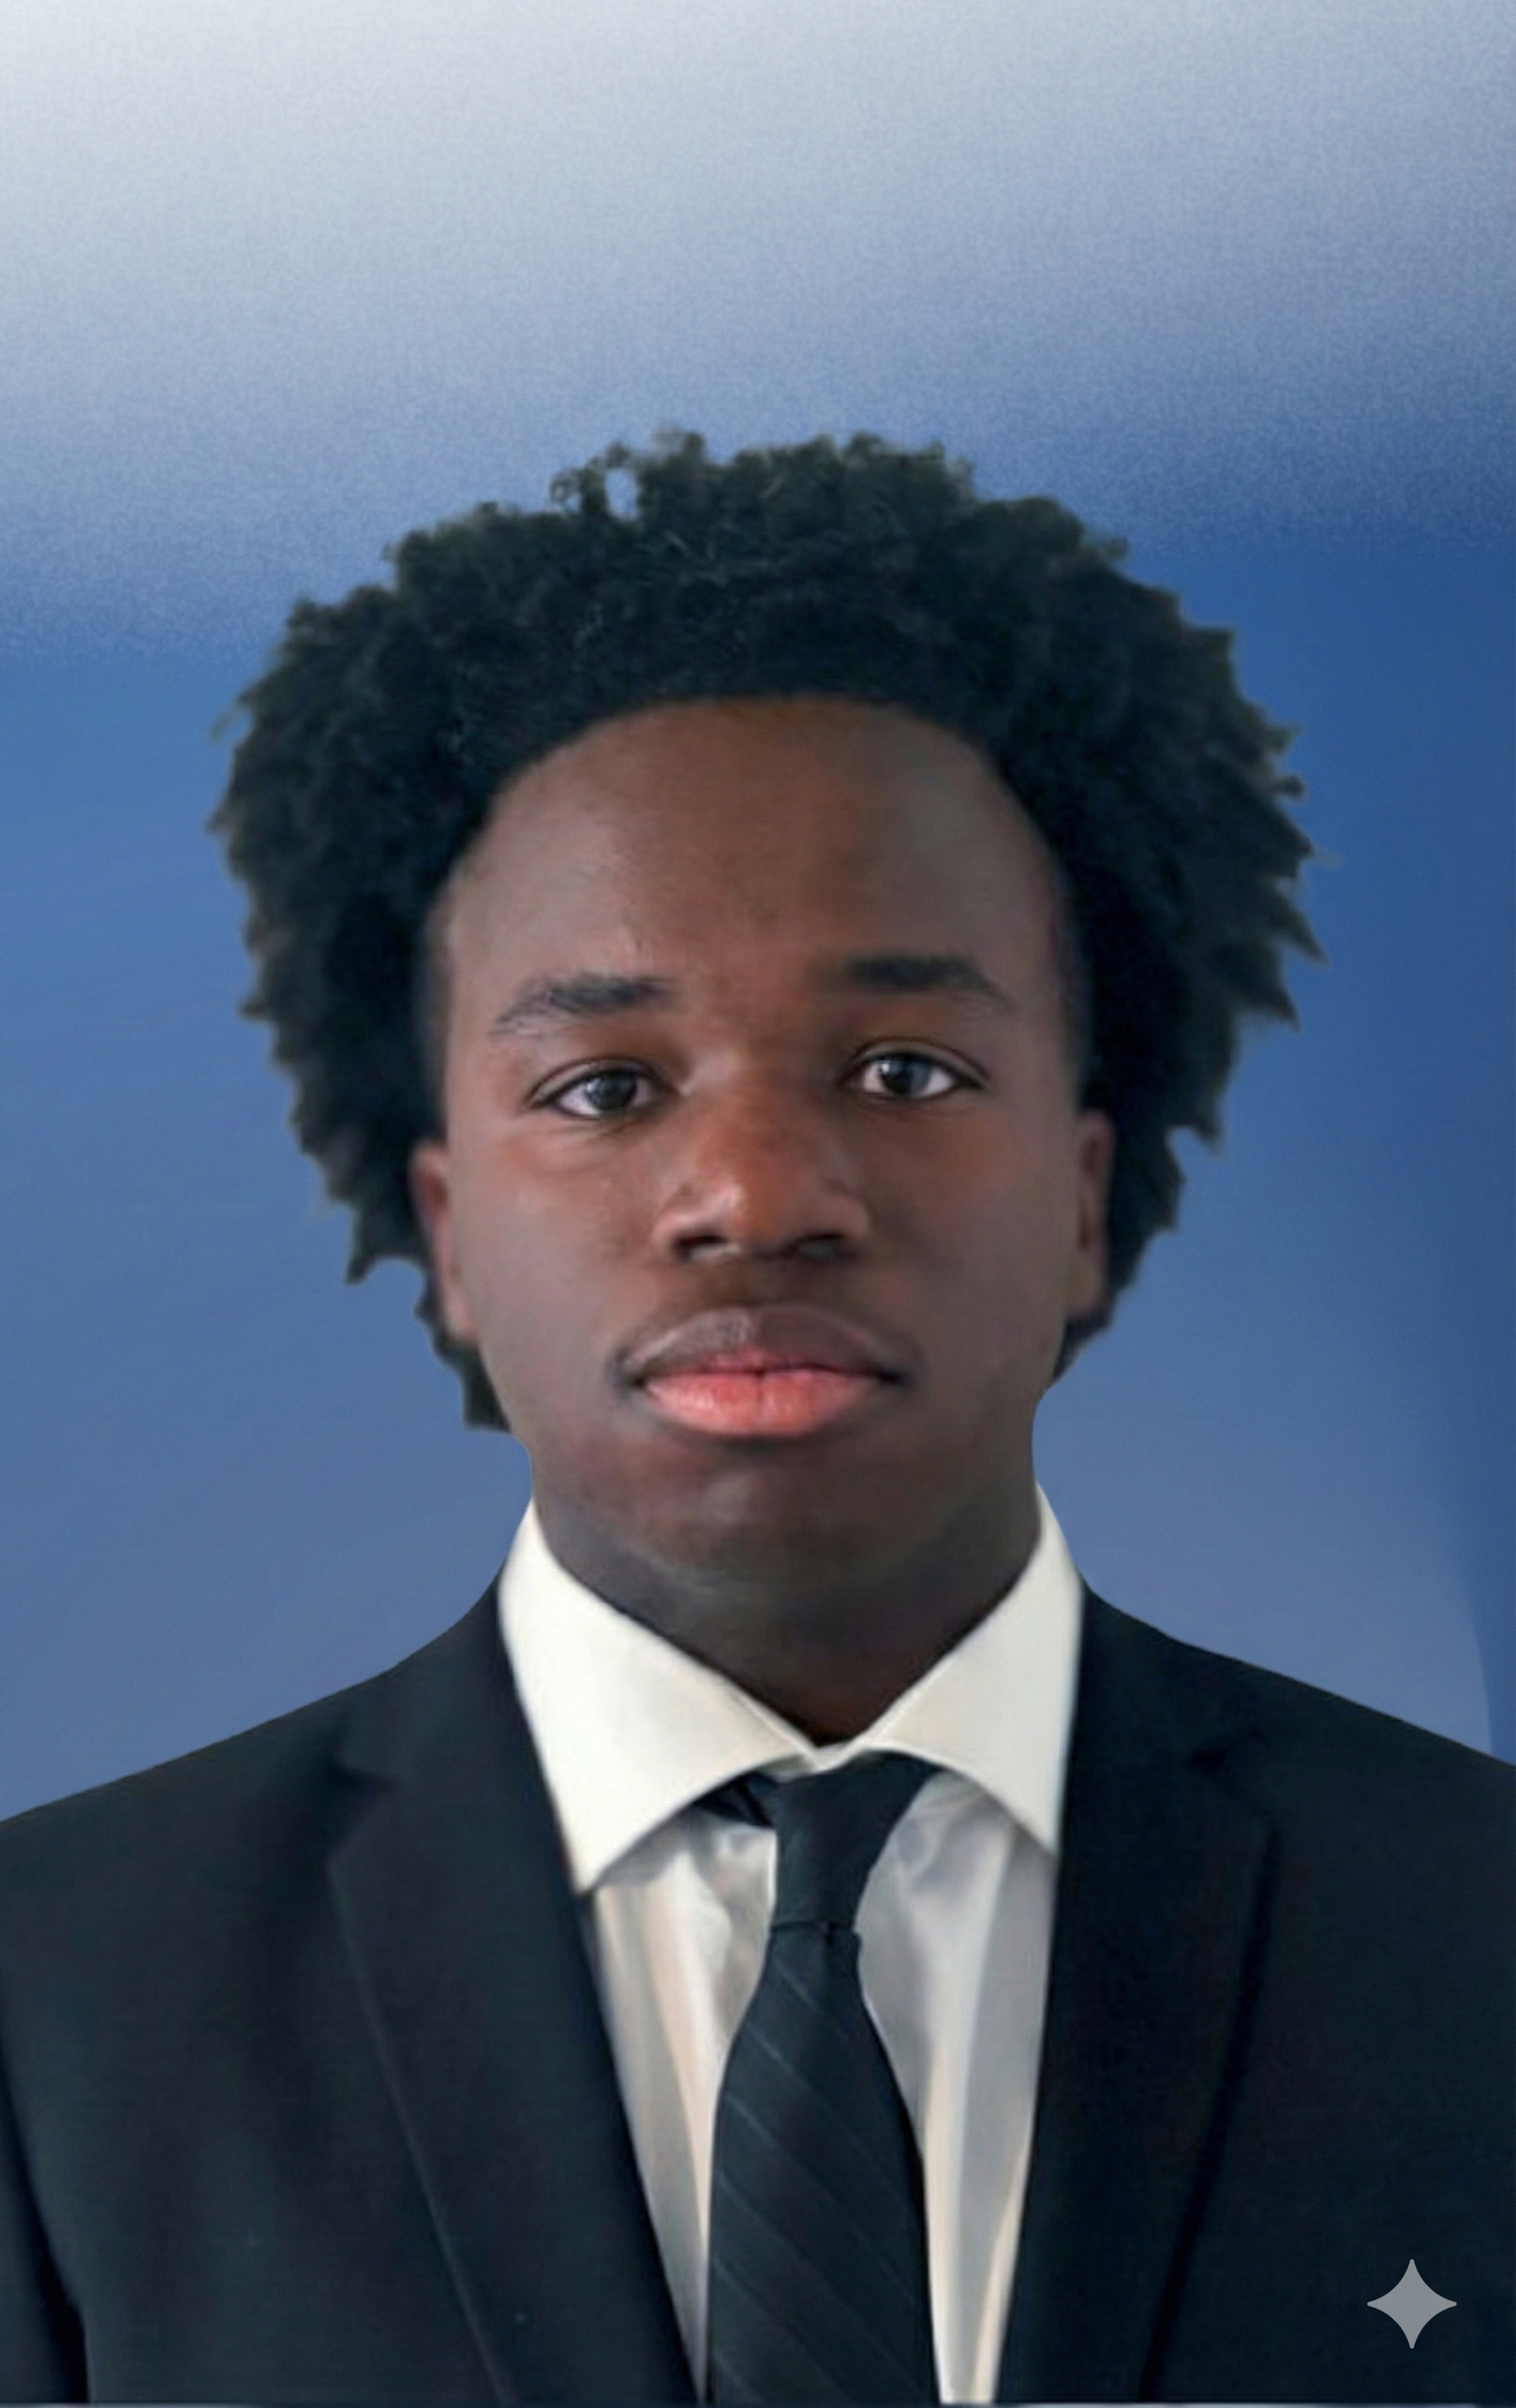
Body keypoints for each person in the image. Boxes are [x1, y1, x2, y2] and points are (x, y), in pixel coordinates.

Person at [0, 434, 1509, 2406]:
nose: (758, 1193)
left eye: (905, 1066)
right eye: (608, 1088)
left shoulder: (1478, 1931)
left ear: (1082, 1192)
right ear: (446, 1230)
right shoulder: (50, 1997)